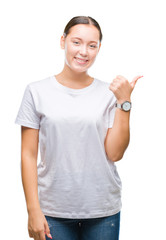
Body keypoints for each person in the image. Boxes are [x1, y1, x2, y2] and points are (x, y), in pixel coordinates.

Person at [16, 16, 141, 240]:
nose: (84, 51)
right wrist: (33, 210)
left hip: (103, 209)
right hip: (53, 210)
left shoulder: (108, 93)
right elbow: (28, 154)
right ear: (63, 41)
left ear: (98, 49)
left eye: (92, 46)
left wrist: (124, 103)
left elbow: (115, 153)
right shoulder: (36, 91)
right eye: (77, 42)